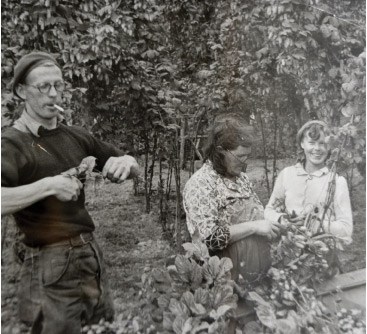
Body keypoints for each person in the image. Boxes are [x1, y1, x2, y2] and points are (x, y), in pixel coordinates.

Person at [1, 51, 140, 334]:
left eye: (59, 85)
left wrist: (125, 162)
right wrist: (48, 185)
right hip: (49, 262)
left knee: (101, 328)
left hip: (89, 254)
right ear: (20, 91)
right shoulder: (12, 143)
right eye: (43, 87)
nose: (54, 94)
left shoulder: (75, 135)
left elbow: (132, 164)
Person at [183, 114, 280, 287]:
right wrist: (254, 227)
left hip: (254, 270)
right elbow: (210, 239)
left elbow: (257, 214)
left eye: (247, 156)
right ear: (220, 151)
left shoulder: (241, 178)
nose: (245, 163)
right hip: (223, 276)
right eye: (240, 157)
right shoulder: (201, 184)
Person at [264, 120, 353, 244]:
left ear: (329, 146)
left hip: (322, 255)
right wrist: (283, 219)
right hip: (288, 252)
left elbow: (346, 229)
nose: (317, 148)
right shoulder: (287, 174)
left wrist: (314, 224)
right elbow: (268, 211)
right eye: (311, 142)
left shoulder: (336, 181)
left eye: (322, 143)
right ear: (302, 143)